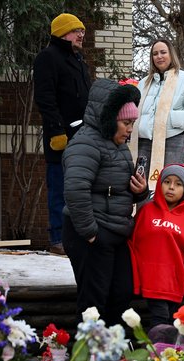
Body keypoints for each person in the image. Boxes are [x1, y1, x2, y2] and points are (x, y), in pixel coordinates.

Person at [62, 79, 149, 325]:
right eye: (126, 123)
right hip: (91, 234)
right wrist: (91, 234)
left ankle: (112, 352)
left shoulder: (117, 144)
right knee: (93, 302)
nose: (130, 129)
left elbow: (118, 188)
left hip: (114, 233)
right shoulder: (85, 143)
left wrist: (140, 191)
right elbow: (76, 189)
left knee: (121, 293)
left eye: (133, 123)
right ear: (110, 118)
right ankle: (87, 357)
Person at [33, 13, 92, 255]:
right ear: (62, 32)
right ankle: (58, 238)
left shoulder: (79, 62)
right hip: (61, 138)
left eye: (83, 32)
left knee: (79, 188)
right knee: (59, 188)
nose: (81, 35)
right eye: (76, 30)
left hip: (83, 137)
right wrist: (57, 132)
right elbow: (45, 99)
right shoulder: (48, 58)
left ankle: (75, 237)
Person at [130, 164, 184, 328]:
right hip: (150, 281)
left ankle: (161, 353)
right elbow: (131, 244)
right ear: (159, 184)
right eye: (167, 182)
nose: (171, 187)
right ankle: (157, 353)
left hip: (174, 283)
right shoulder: (146, 211)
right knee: (160, 321)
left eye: (178, 184)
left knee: (169, 325)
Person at [130, 39, 184, 188]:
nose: (159, 56)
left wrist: (168, 119)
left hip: (174, 141)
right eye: (155, 54)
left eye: (163, 52)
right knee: (142, 188)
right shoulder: (143, 83)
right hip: (144, 142)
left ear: (171, 54)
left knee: (169, 188)